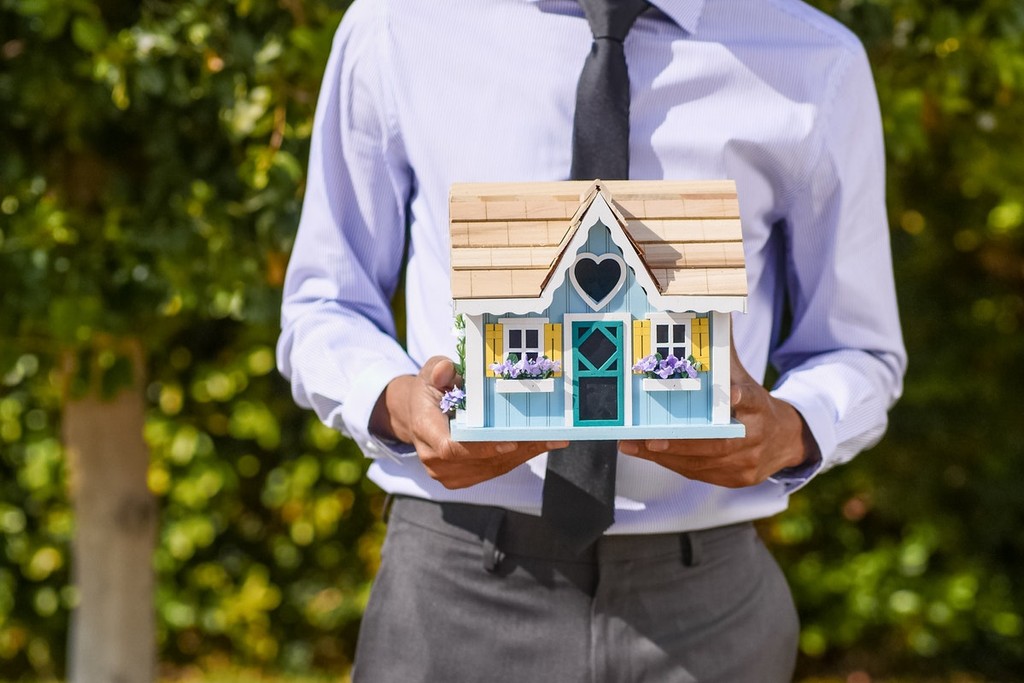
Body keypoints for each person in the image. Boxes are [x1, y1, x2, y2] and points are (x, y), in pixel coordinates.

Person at [277, 0, 906, 680]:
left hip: (708, 613)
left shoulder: (814, 59)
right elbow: (324, 302)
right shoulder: (397, 26)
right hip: (454, 591)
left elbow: (859, 348)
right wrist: (397, 403)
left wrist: (790, 429)